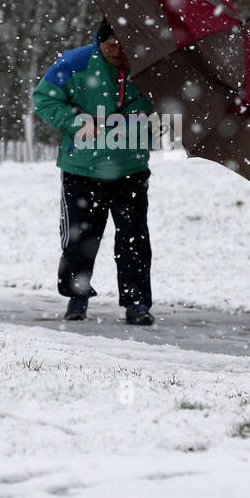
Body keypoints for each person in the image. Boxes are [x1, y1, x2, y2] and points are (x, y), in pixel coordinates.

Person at [32, 16, 155, 325]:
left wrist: (149, 115)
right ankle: (77, 296)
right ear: (100, 41)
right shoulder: (75, 63)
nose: (118, 51)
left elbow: (163, 104)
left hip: (130, 167)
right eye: (111, 44)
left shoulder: (151, 67)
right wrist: (77, 122)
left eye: (125, 44)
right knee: (80, 238)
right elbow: (43, 99)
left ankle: (136, 302)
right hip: (81, 169)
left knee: (133, 238)